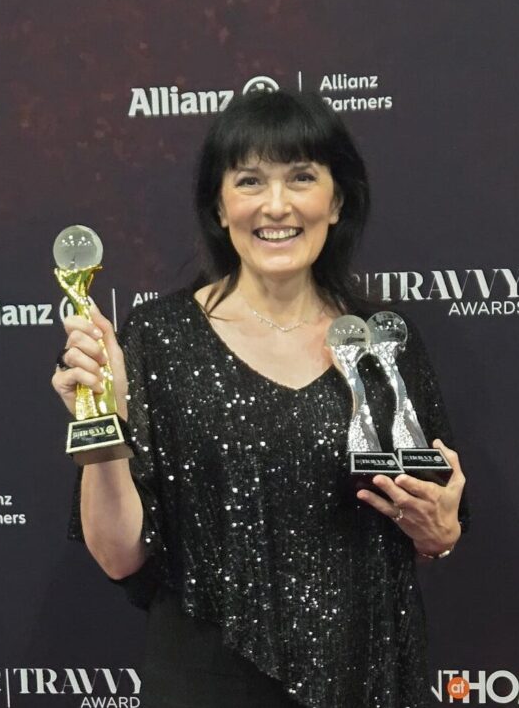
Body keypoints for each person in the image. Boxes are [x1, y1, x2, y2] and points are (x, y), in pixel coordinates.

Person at [53, 90, 468, 708]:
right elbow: (119, 557)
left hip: (361, 677)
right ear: (219, 207)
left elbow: (431, 527)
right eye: (250, 180)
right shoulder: (158, 338)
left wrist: (441, 531)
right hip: (204, 683)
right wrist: (105, 421)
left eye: (301, 177)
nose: (277, 205)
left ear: (338, 200)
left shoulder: (385, 344)